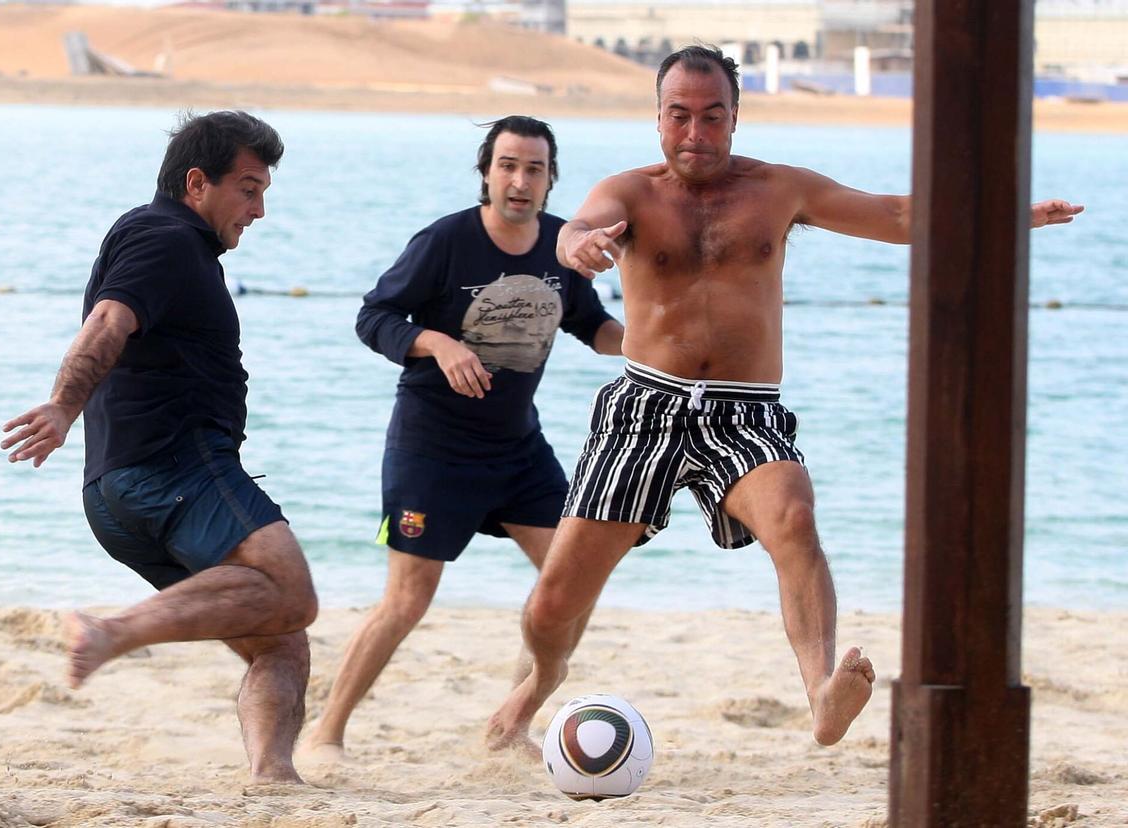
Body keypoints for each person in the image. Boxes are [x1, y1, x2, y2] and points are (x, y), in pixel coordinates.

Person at [485, 46, 1084, 752]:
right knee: (553, 605)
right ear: (658, 119)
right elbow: (577, 229)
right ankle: (542, 679)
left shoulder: (778, 190)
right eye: (680, 116)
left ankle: (821, 694)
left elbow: (894, 214)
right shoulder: (633, 192)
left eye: (712, 117)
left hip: (746, 411)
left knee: (794, 517)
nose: (695, 134)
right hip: (645, 406)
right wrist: (580, 248)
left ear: (735, 118)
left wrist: (1010, 216)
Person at [0, 111, 318, 784]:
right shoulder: (166, 237)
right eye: (249, 189)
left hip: (116, 495)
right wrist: (62, 405)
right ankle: (111, 633)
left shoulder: (166, 242)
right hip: (174, 468)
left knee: (282, 637)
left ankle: (273, 778)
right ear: (196, 183)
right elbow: (109, 321)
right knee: (292, 588)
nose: (259, 211)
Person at [301, 116, 624, 759]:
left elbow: (593, 327)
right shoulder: (446, 241)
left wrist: (662, 345)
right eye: (507, 165)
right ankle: (326, 732)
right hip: (432, 447)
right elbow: (375, 316)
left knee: (575, 580)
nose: (519, 180)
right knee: (408, 599)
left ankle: (515, 718)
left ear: (551, 179)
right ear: (486, 172)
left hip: (517, 449)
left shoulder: (563, 247)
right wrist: (438, 341)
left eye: (534, 168)